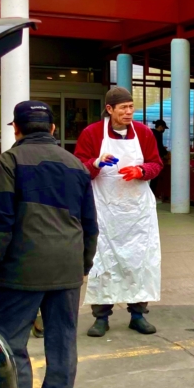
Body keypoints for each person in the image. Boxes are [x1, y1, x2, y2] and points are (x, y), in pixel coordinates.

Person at [0, 101, 98, 388]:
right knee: (63, 343)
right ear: (52, 129)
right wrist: (83, 265)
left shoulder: (9, 162)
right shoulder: (76, 165)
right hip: (67, 267)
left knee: (8, 342)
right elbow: (91, 224)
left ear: (16, 129)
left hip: (22, 270)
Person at [75, 87, 163, 337]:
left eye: (131, 107)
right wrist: (96, 163)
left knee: (139, 260)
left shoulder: (144, 133)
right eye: (123, 107)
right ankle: (101, 317)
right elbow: (79, 167)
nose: (128, 112)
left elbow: (156, 163)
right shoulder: (92, 133)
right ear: (109, 109)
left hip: (137, 211)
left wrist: (141, 171)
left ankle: (138, 315)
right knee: (102, 261)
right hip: (104, 209)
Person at [150, 119, 169, 198]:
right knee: (154, 178)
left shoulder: (150, 132)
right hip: (154, 159)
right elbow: (159, 147)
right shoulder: (158, 134)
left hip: (147, 158)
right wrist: (166, 153)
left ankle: (149, 195)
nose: (164, 130)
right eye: (164, 128)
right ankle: (151, 195)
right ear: (161, 127)